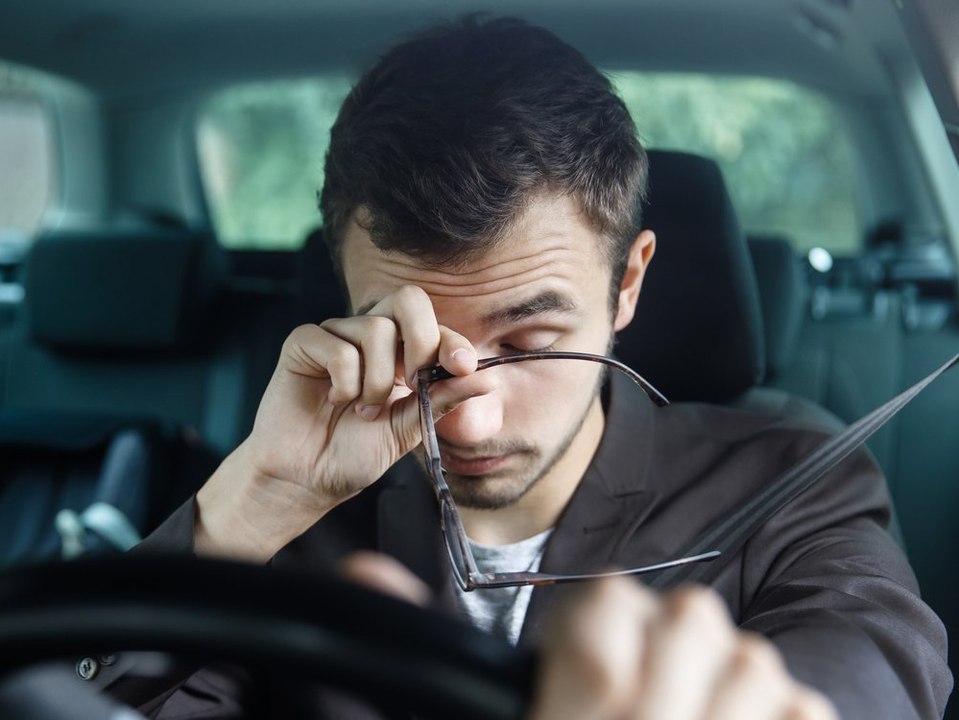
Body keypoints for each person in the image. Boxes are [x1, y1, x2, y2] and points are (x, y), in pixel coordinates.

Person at [99, 15, 950, 720]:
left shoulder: (793, 481)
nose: (468, 419)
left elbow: (873, 676)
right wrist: (252, 506)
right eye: (417, 351)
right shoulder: (287, 525)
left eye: (533, 344)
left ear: (625, 283)